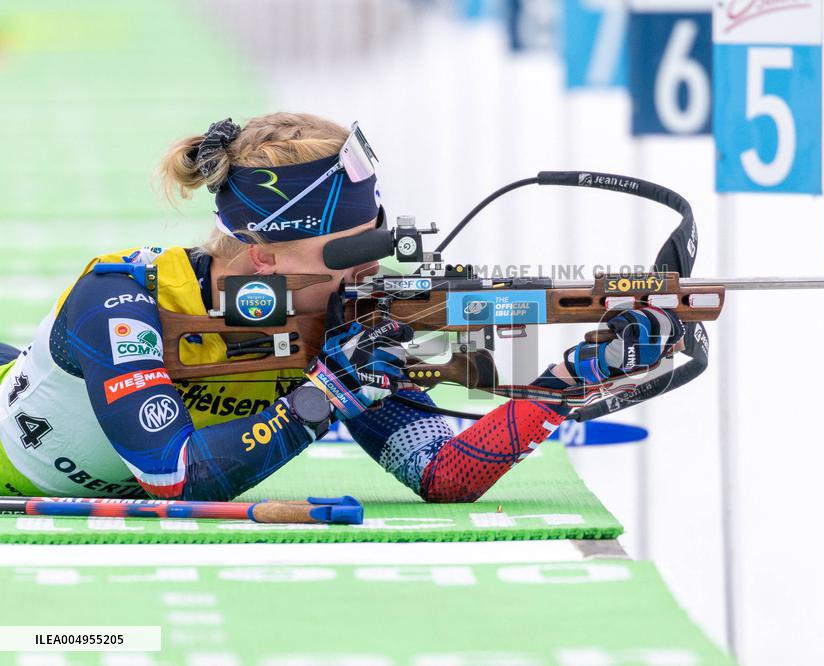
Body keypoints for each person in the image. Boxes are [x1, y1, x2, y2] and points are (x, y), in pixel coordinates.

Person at [0, 112, 681, 503]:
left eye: (376, 245)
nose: (369, 274)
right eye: (346, 255)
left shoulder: (334, 322)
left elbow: (444, 472)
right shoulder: (122, 302)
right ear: (263, 253)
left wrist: (571, 381)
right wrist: (325, 395)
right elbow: (177, 478)